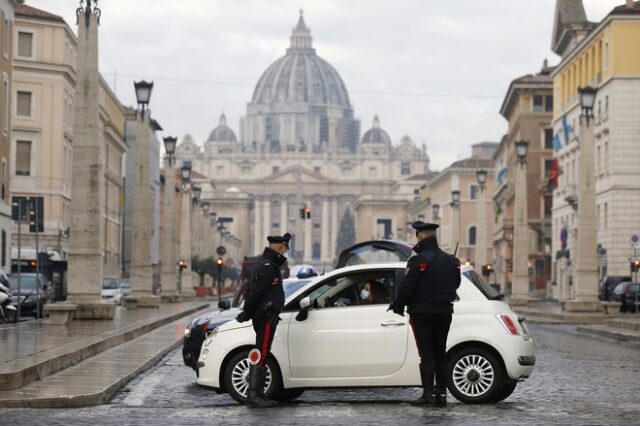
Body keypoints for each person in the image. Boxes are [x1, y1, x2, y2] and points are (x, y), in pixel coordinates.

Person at [389, 221, 461, 407]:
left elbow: (408, 287)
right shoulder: (451, 261)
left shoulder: (418, 261)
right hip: (445, 312)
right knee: (440, 352)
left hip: (422, 313)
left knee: (426, 354)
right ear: (434, 237)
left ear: (420, 236)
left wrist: (397, 305)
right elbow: (456, 284)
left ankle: (428, 394)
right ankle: (442, 394)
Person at [235, 232, 291, 408]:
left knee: (263, 351)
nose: (284, 255)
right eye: (284, 251)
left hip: (267, 315)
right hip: (265, 316)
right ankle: (254, 394)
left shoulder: (269, 265)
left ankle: (257, 393)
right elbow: (256, 293)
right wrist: (246, 312)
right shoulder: (267, 266)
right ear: (280, 248)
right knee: (262, 352)